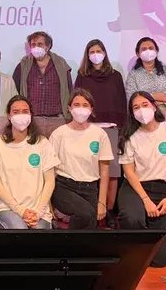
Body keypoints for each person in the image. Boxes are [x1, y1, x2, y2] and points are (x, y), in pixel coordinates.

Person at [125, 37, 166, 237]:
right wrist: (163, 95)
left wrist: (149, 96)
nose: (148, 51)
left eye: (151, 47)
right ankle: (155, 210)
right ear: (138, 53)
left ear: (156, 50)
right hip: (145, 120)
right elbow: (132, 97)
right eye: (143, 48)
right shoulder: (133, 75)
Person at [117, 91, 166, 267]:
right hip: (135, 189)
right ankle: (130, 252)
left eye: (145, 105)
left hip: (164, 191)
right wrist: (146, 200)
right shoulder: (129, 136)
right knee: (132, 218)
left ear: (154, 106)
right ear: (132, 113)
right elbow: (129, 172)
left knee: (160, 260)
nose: (141, 110)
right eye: (136, 107)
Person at [74, 39, 127, 226]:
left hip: (111, 128)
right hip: (88, 128)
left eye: (99, 51)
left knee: (112, 172)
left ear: (104, 53)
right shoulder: (82, 76)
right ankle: (91, 209)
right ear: (87, 55)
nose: (95, 54)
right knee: (89, 171)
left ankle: (109, 210)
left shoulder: (116, 76)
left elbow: (122, 102)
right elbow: (76, 101)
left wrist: (123, 128)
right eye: (92, 52)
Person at [0, 95, 59, 229]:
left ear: (31, 115)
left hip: (39, 212)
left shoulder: (42, 142)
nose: (21, 115)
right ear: (9, 116)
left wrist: (38, 212)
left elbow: (50, 182)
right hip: (7, 209)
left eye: (25, 111)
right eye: (16, 112)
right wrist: (21, 211)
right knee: (20, 229)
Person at [49, 89, 113, 229]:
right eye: (76, 105)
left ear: (91, 109)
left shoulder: (99, 134)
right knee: (85, 214)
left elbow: (104, 170)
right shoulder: (59, 134)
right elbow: (50, 170)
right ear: (69, 108)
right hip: (64, 187)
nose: (81, 109)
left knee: (89, 227)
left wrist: (102, 202)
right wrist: (48, 202)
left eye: (85, 105)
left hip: (90, 188)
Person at [12, 31, 73, 138]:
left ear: (48, 46)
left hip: (57, 120)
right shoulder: (23, 65)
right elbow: (15, 91)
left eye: (40, 44)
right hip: (32, 120)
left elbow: (69, 89)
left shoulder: (61, 65)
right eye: (33, 45)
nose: (36, 47)